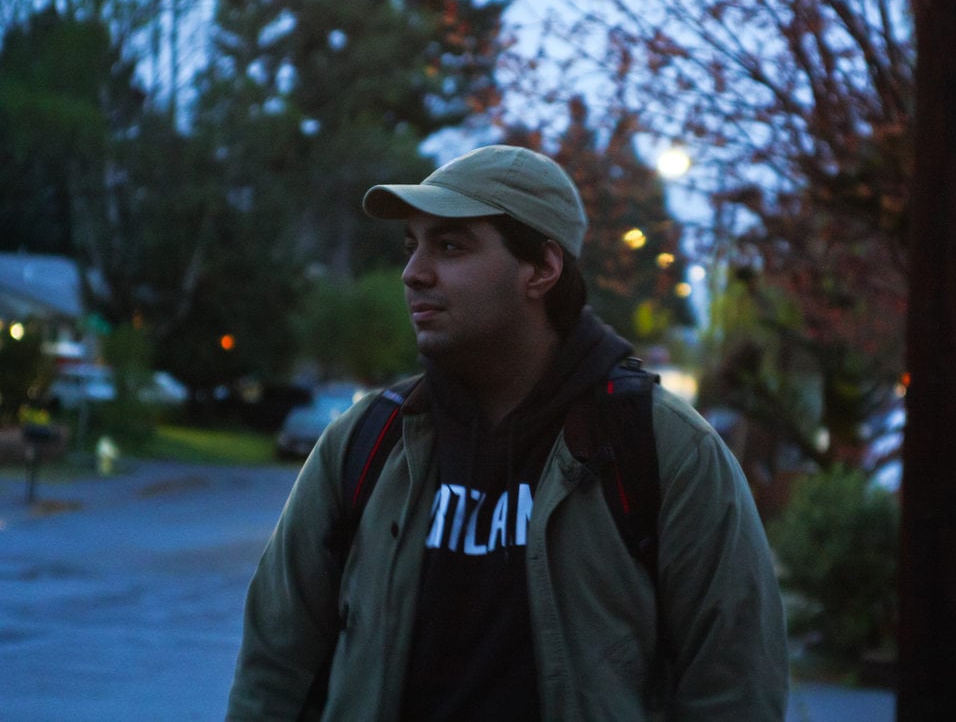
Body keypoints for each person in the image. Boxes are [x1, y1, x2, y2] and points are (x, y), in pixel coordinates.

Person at [226, 145, 789, 720]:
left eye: (449, 246)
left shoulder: (662, 451)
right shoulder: (366, 443)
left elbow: (735, 690)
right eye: (412, 246)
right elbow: (274, 669)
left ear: (541, 269)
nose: (413, 273)